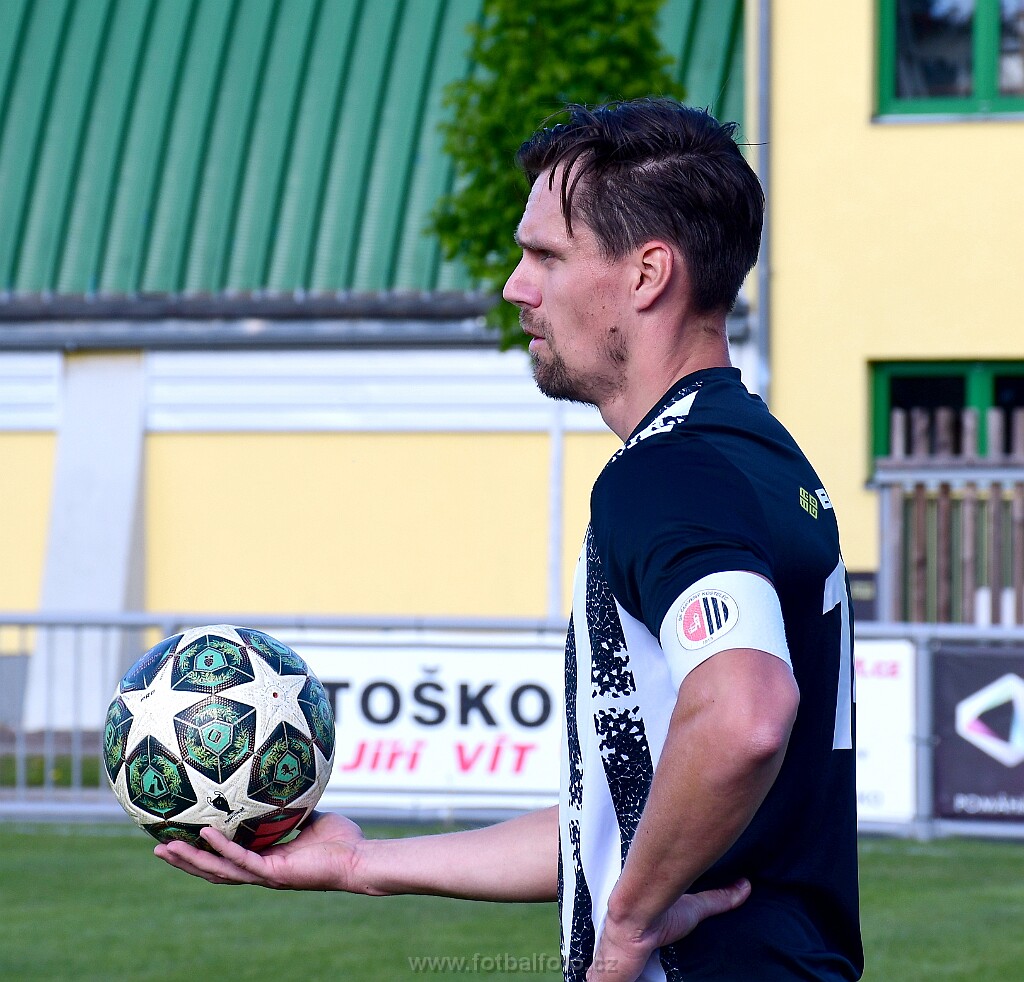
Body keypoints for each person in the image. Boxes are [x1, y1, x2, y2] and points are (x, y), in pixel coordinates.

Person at [156, 98, 863, 982]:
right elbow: (617, 825)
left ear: (648, 274)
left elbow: (745, 716)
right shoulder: (762, 458)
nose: (515, 287)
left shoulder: (667, 472)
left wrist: (628, 927)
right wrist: (359, 865)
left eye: (546, 256)